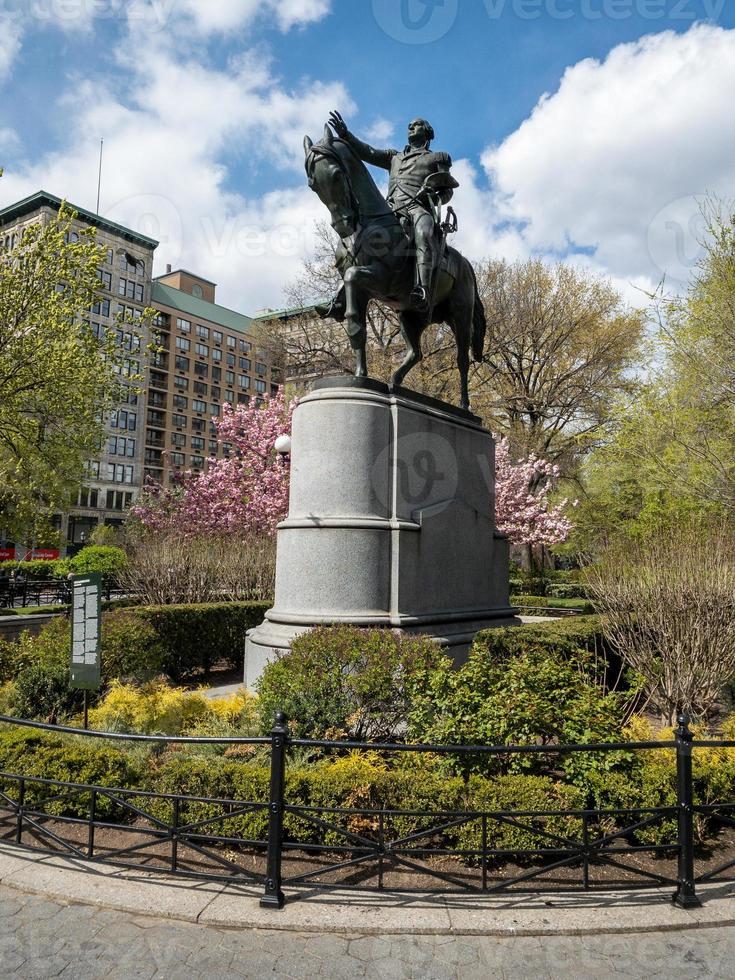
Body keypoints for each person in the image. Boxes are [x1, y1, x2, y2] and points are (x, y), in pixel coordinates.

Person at [327, 111, 458, 313]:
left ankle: (421, 287)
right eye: (410, 125)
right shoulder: (394, 157)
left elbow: (447, 190)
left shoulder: (437, 157)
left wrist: (431, 197)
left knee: (423, 233)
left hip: (417, 208)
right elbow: (367, 152)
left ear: (427, 132)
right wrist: (346, 135)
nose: (411, 127)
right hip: (391, 210)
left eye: (417, 124)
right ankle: (341, 295)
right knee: (354, 235)